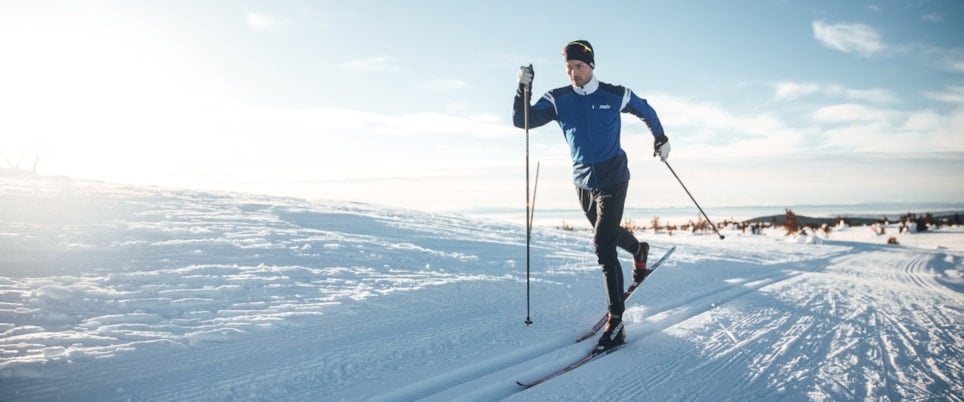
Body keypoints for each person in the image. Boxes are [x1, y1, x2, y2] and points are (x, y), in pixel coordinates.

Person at [512, 39, 671, 351]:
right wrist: (522, 89)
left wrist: (660, 137)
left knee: (602, 244)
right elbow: (523, 121)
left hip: (614, 177)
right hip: (583, 181)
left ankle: (617, 321)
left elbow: (645, 108)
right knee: (608, 235)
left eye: (579, 66)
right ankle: (639, 250)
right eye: (569, 67)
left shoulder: (613, 94)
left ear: (591, 66)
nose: (574, 72)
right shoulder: (558, 99)